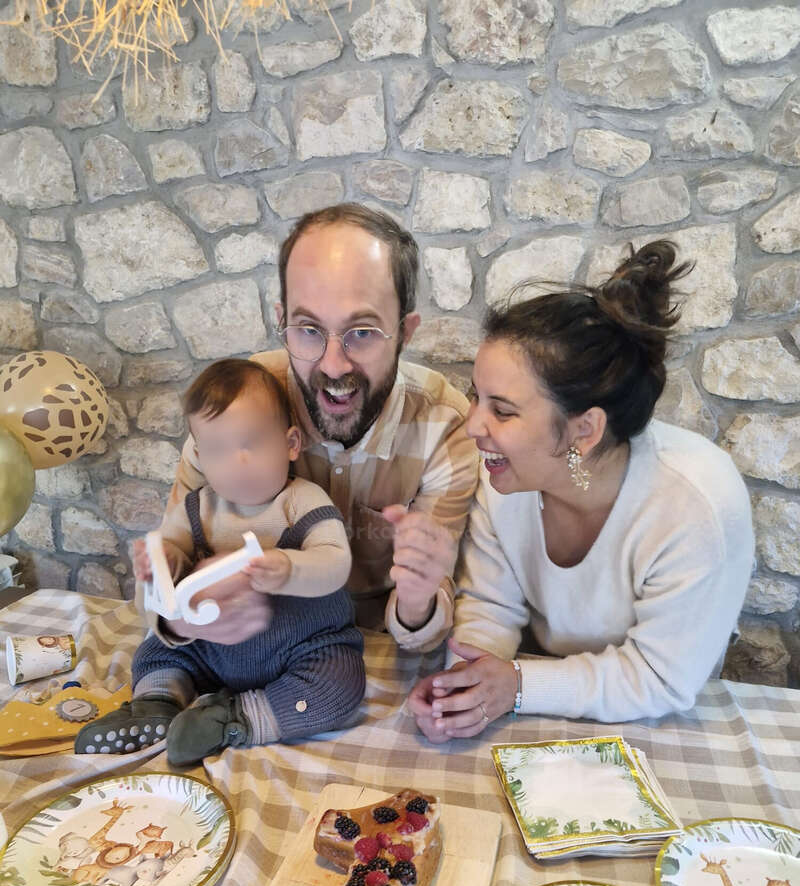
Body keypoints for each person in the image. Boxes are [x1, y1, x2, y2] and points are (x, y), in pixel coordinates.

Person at [408, 241, 754, 740]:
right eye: (475, 397)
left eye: (501, 411)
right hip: (536, 708)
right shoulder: (501, 476)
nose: (472, 427)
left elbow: (661, 679)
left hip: (659, 729)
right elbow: (490, 604)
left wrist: (518, 686)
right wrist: (463, 687)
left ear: (584, 431)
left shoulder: (698, 506)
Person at [153, 204, 478, 654]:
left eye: (362, 332)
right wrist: (188, 616)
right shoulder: (236, 409)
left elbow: (421, 629)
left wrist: (419, 598)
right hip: (240, 644)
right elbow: (163, 578)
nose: (332, 364)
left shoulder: (444, 426)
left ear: (405, 332)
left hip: (368, 652)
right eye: (308, 329)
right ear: (282, 319)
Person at [75, 359, 365, 764]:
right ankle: (157, 703)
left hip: (301, 649)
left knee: (341, 684)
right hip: (211, 651)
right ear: (199, 455)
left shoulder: (301, 500)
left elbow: (336, 563)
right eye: (217, 450)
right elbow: (164, 574)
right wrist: (160, 565)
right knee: (156, 649)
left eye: (253, 443)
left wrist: (289, 567)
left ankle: (237, 719)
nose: (237, 463)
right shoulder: (197, 508)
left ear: (291, 443)